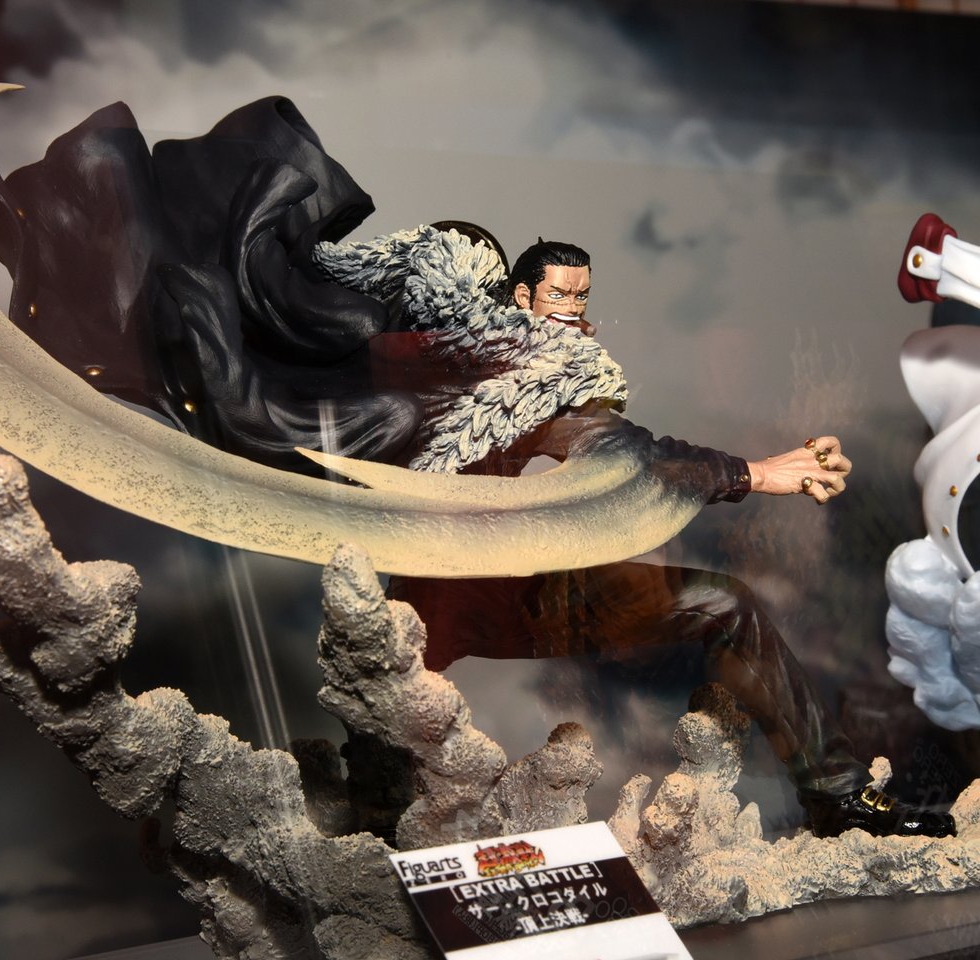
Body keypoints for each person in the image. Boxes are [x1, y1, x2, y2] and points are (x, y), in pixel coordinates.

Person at [389, 239, 955, 839]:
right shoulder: (410, 378)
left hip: (518, 589)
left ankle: (837, 796)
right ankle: (384, 802)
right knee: (394, 703)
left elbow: (629, 453)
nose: (573, 310)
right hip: (434, 597)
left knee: (723, 602)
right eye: (558, 295)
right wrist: (759, 473)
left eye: (581, 297)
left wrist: (753, 472)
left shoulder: (541, 373)